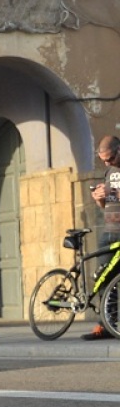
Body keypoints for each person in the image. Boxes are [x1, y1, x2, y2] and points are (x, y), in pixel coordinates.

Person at [83, 135, 120, 340]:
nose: (107, 162)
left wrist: (112, 191)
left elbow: (115, 193)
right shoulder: (110, 172)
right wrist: (99, 198)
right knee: (103, 277)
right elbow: (106, 204)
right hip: (109, 230)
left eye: (111, 158)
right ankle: (106, 324)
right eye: (104, 160)